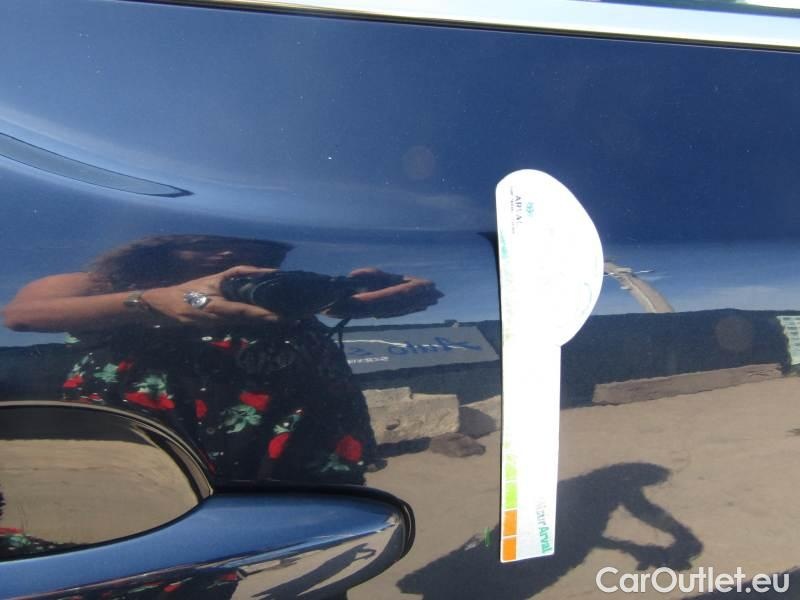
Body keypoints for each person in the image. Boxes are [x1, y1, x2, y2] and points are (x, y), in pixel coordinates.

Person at [2, 234, 442, 484]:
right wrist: (151, 301)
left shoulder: (272, 285)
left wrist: (376, 295)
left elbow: (338, 305)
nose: (230, 255)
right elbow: (21, 314)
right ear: (159, 246)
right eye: (209, 244)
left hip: (297, 447)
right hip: (161, 450)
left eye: (257, 248)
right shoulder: (112, 284)